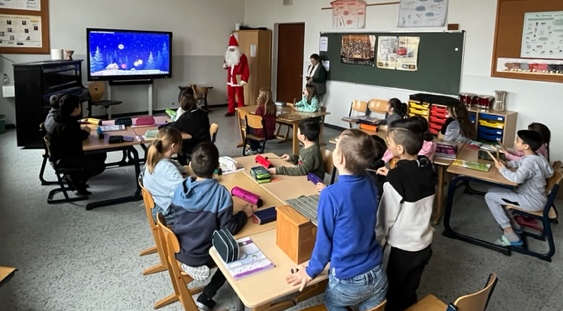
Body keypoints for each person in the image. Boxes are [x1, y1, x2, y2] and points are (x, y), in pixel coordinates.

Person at [285, 129, 388, 311]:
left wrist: (310, 272)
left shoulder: (331, 196)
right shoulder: (371, 183)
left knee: (332, 301)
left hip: (348, 279)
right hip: (378, 272)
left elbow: (324, 243)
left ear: (339, 159)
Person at [171, 142, 256, 311]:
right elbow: (228, 230)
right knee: (238, 252)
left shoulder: (180, 187)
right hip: (203, 253)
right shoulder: (220, 193)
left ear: (190, 165)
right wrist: (244, 215)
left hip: (180, 247)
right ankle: (207, 295)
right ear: (217, 167)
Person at [375, 118, 436, 311]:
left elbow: (385, 219)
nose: (388, 145)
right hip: (423, 243)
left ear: (399, 149)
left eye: (390, 142)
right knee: (410, 288)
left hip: (401, 248)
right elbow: (410, 178)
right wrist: (393, 173)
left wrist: (375, 244)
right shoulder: (426, 165)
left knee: (391, 292)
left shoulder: (396, 177)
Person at [484, 130, 554, 246]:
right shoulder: (537, 156)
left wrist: (502, 169)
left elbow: (517, 179)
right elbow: (519, 163)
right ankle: (513, 225)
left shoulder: (529, 162)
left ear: (526, 146)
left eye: (517, 140)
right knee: (492, 191)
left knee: (490, 197)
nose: (514, 142)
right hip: (538, 197)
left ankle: (509, 233)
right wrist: (507, 164)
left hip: (531, 200)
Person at [47, 94, 106, 195]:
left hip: (59, 155)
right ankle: (75, 178)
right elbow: (76, 140)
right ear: (75, 109)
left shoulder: (60, 118)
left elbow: (73, 137)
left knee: (101, 154)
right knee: (99, 165)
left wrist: (82, 132)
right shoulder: (68, 125)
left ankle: (75, 176)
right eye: (79, 105)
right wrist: (86, 132)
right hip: (63, 159)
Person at [140, 127, 186, 225]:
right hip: (167, 213)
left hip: (158, 206)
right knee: (207, 210)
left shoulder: (151, 160)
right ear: (174, 146)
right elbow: (183, 195)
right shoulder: (168, 168)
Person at [171, 93, 210, 165]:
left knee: (180, 146)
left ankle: (183, 166)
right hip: (207, 144)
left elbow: (173, 127)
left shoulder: (185, 118)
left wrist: (160, 127)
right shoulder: (204, 113)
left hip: (195, 146)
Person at [224, 35, 250, 117]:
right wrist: (225, 66)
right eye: (230, 49)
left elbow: (246, 69)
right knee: (230, 96)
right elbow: (227, 65)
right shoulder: (228, 56)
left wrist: (244, 79)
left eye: (233, 49)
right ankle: (231, 110)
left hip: (238, 80)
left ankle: (241, 111)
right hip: (230, 80)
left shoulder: (242, 57)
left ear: (236, 49)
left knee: (240, 96)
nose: (231, 51)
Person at [247, 88, 277, 155]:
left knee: (249, 128)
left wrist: (258, 104)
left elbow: (255, 121)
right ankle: (257, 147)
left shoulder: (260, 108)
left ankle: (254, 148)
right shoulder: (273, 106)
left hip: (261, 132)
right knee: (253, 129)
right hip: (270, 132)